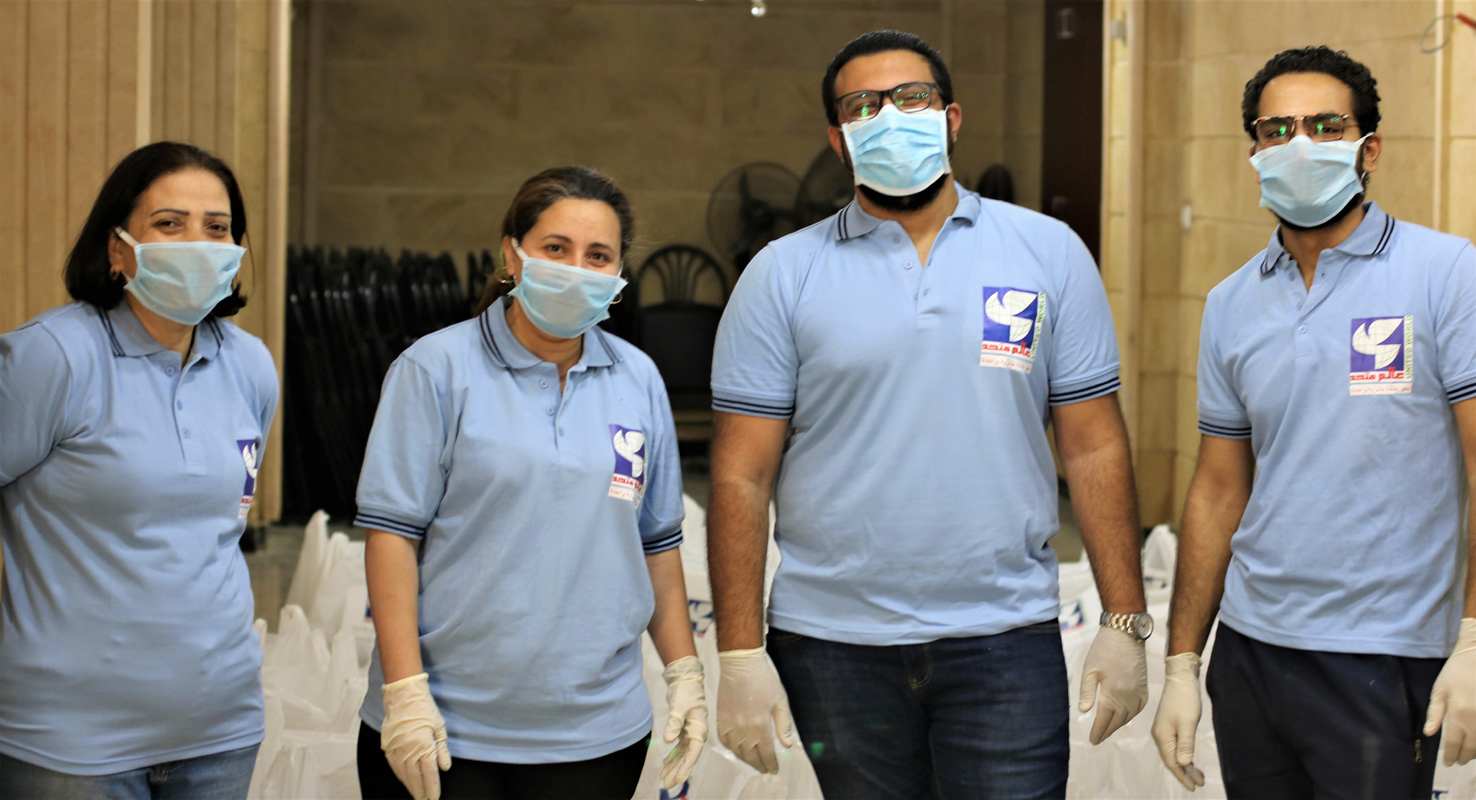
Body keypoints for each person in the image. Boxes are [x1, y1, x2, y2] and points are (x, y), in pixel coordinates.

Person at [707, 30, 1151, 799]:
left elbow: (1093, 446)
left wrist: (1124, 620)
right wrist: (741, 655)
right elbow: (741, 475)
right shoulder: (782, 274)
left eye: (910, 98)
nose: (890, 116)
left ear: (951, 119)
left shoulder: (1047, 252)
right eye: (863, 106)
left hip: (1004, 639)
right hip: (833, 645)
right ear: (837, 140)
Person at [1150, 46, 1476, 798]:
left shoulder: (1443, 273)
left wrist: (1471, 639)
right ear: (1255, 151)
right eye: (1278, 129)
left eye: (1325, 126)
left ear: (1370, 149)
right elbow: (1218, 488)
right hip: (1253, 651)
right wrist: (1181, 664)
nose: (1300, 146)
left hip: (1384, 656)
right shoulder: (1233, 302)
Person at [354, 166, 706, 800]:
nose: (576, 267)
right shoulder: (435, 369)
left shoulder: (639, 378)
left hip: (597, 732)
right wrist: (405, 693)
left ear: (619, 274)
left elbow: (656, 543)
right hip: (449, 730)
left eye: (598, 255)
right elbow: (391, 536)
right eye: (555, 248)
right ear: (511, 254)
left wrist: (685, 674)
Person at [0, 142, 277, 799]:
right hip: (69, 744)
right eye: (170, 224)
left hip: (220, 730)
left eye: (217, 228)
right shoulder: (54, 357)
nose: (198, 243)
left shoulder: (249, 364)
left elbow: (224, 521)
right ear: (118, 247)